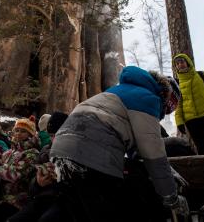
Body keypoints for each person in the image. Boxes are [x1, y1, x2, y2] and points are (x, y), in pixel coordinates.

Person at [49, 66, 188, 222]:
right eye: (170, 105)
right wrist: (170, 196)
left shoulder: (119, 90)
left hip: (61, 148)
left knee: (76, 210)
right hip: (92, 153)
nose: (167, 111)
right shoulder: (149, 98)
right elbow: (153, 154)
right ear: (166, 95)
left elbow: (137, 149)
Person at [8, 111, 69, 222]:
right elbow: (31, 187)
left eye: (58, 134)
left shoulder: (74, 152)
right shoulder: (45, 151)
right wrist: (38, 182)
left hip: (62, 202)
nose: (54, 139)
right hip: (40, 199)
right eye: (51, 135)